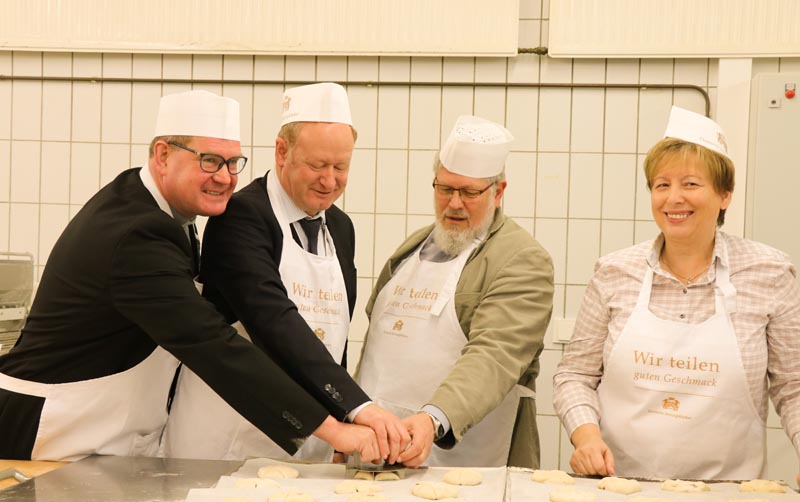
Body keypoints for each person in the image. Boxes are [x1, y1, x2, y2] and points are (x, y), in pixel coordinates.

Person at [0, 89, 380, 462]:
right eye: (210, 161)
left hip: (103, 428)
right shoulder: (136, 233)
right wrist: (336, 429)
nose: (226, 178)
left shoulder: (173, 218)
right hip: (50, 426)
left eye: (234, 163)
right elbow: (210, 343)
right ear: (162, 154)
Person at [161, 83, 410, 462]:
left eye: (340, 167)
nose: (330, 181)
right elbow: (275, 321)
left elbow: (333, 338)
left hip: (310, 435)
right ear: (282, 151)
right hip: (227, 436)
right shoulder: (241, 217)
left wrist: (343, 420)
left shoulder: (340, 228)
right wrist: (359, 407)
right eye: (317, 165)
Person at [553, 106, 800, 482]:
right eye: (662, 185)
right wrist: (586, 436)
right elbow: (574, 375)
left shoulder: (768, 273)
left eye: (690, 184)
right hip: (619, 490)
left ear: (725, 195)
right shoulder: (615, 272)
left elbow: (793, 386)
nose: (673, 198)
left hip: (730, 499)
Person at [356, 115, 555, 468]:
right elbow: (375, 346)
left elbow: (494, 356)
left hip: (462, 457)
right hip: (375, 450)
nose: (454, 204)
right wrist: (351, 416)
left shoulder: (522, 259)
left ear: (499, 191)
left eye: (469, 192)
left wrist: (432, 419)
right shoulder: (412, 248)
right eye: (445, 188)